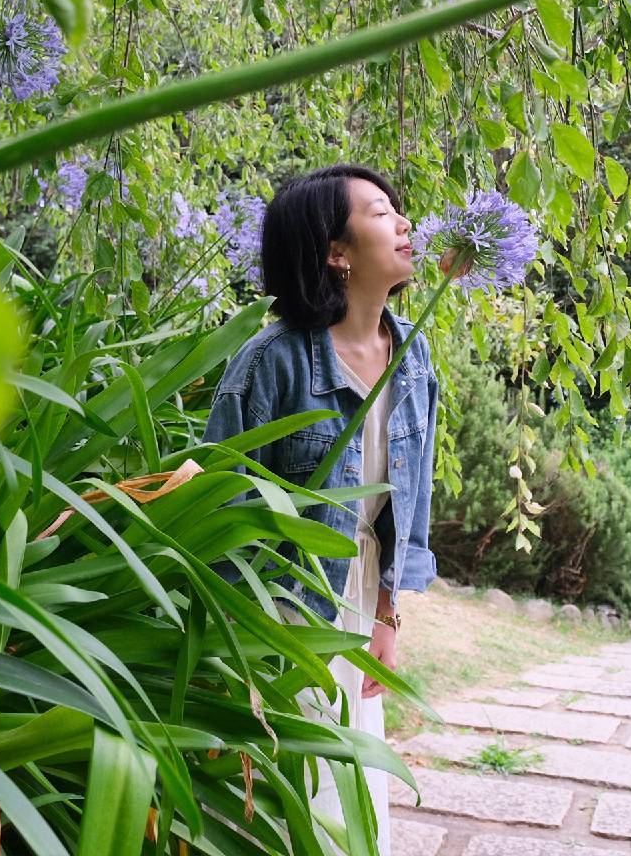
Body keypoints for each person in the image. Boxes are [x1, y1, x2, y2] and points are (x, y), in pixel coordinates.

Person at [204, 164, 441, 854]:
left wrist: (389, 614)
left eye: (399, 208)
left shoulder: (414, 352)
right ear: (337, 253)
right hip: (281, 600)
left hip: (361, 591)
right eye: (380, 213)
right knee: (292, 787)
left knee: (354, 778)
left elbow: (413, 495)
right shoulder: (269, 360)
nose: (404, 223)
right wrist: (238, 649)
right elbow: (220, 500)